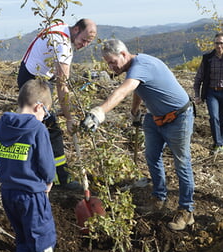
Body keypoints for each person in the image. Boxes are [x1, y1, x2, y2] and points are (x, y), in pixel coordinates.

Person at [81, 39, 195, 231]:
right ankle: (159, 197)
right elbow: (137, 88)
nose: (110, 67)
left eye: (112, 62)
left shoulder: (141, 65)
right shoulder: (134, 70)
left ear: (124, 55)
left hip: (179, 117)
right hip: (155, 117)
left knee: (182, 163)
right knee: (151, 157)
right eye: (107, 63)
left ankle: (187, 210)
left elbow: (124, 90)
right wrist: (135, 111)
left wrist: (99, 112)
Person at [17, 18, 97, 190]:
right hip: (32, 82)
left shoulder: (60, 26)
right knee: (51, 131)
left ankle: (33, 171)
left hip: (31, 74)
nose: (83, 45)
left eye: (88, 43)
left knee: (39, 129)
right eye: (83, 40)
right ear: (75, 30)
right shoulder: (63, 45)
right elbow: (63, 85)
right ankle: (60, 178)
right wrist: (69, 118)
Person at [0, 79, 59, 252]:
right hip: (32, 195)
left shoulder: (3, 124)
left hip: (8, 193)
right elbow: (47, 164)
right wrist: (49, 182)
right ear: (39, 106)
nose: (44, 117)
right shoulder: (37, 129)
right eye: (45, 113)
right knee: (43, 240)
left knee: (22, 238)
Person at [193, 33, 223, 154]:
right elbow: (199, 77)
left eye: (221, 43)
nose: (219, 45)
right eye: (217, 43)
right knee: (214, 118)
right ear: (214, 44)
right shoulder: (207, 58)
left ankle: (222, 143)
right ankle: (218, 144)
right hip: (211, 92)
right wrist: (197, 95)